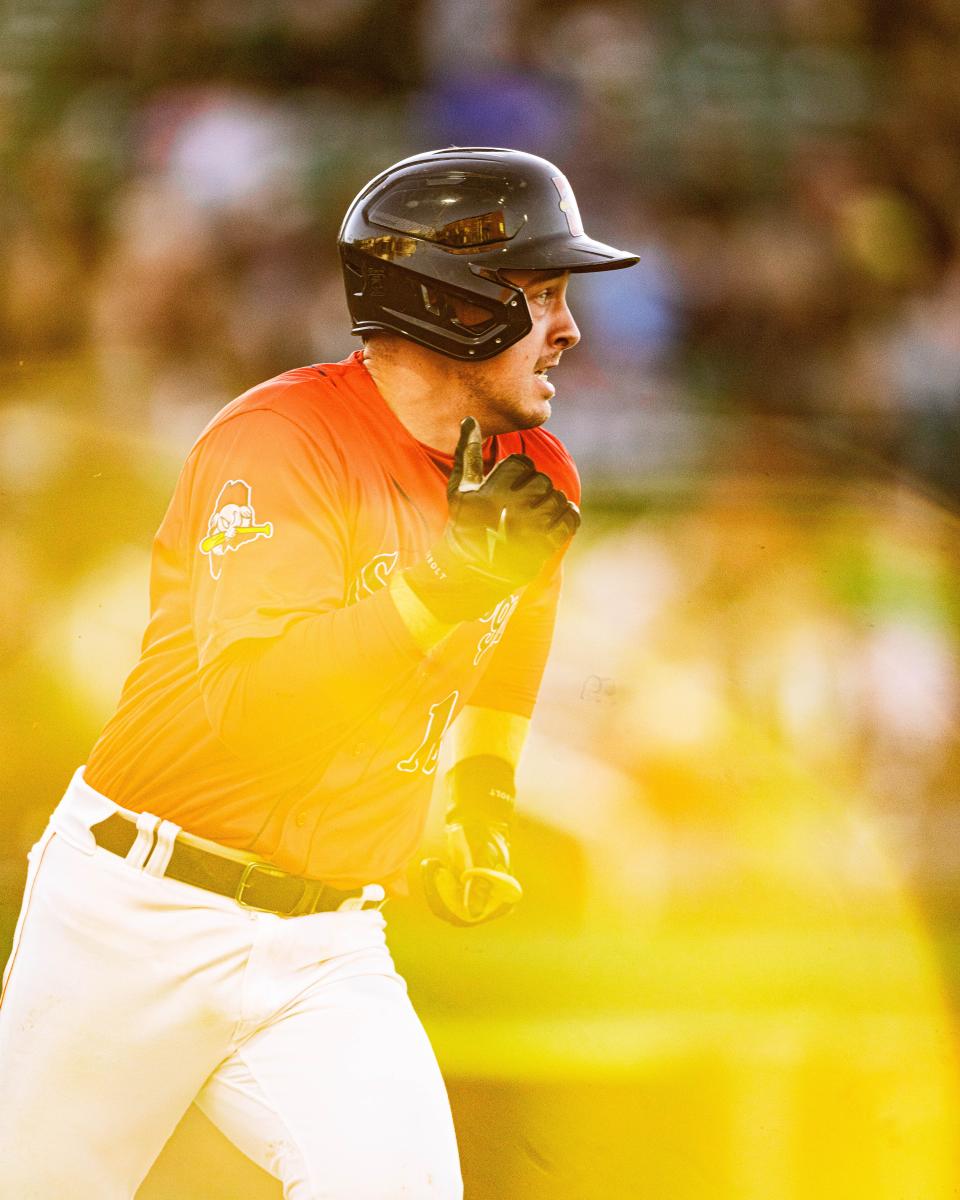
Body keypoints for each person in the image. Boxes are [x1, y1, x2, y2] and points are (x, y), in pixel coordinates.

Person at [0, 147, 638, 1199]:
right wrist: (446, 585)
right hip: (136, 915)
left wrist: (479, 795)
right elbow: (256, 709)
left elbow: (510, 644)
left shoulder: (533, 468)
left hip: (328, 937)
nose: (569, 328)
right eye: (544, 295)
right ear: (452, 301)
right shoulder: (280, 443)